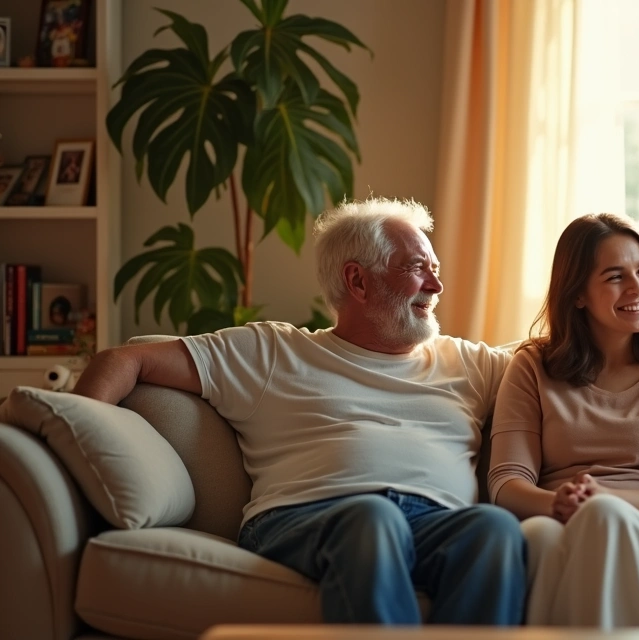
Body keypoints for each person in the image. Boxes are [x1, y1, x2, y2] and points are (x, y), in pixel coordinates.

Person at [72, 197, 528, 626]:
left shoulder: (471, 363)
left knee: (492, 528)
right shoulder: (274, 351)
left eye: (435, 269)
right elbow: (123, 361)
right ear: (358, 281)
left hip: (435, 523)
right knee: (373, 519)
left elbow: (559, 370)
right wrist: (80, 464)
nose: (436, 285)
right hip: (304, 519)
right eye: (416, 269)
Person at [487, 213, 639, 628]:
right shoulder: (532, 366)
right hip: (557, 516)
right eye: (615, 277)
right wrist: (556, 503)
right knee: (537, 536)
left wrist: (603, 500)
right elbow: (506, 481)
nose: (637, 288)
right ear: (577, 294)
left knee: (603, 517)